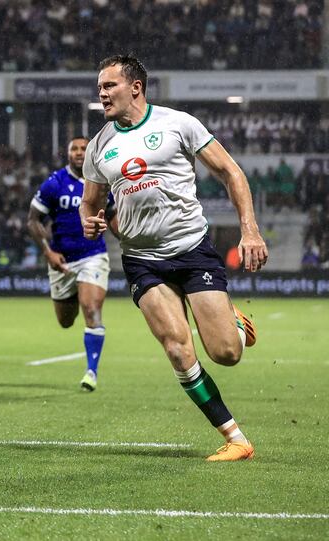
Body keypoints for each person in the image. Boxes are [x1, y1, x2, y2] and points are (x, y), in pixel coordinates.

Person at [79, 54, 267, 462]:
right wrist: (89, 222)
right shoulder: (98, 145)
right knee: (178, 349)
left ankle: (232, 321)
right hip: (142, 260)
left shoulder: (178, 123)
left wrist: (249, 230)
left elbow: (231, 172)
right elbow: (89, 203)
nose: (102, 94)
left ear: (135, 87)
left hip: (191, 250)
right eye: (99, 87)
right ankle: (236, 438)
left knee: (226, 354)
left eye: (109, 86)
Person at [27, 136, 116, 391]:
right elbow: (33, 220)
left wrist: (128, 238)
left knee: (91, 310)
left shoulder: (100, 183)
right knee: (65, 321)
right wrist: (47, 252)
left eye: (83, 149)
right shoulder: (54, 183)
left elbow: (111, 215)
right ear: (67, 154)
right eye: (74, 149)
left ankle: (91, 372)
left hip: (93, 255)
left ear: (91, 154)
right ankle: (78, 290)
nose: (79, 152)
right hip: (61, 260)